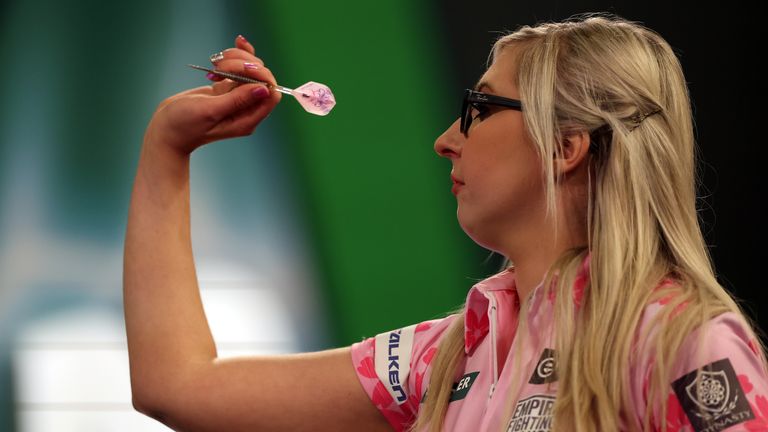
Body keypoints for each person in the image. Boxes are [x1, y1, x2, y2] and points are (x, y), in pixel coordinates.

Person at [123, 13, 768, 432]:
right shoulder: (452, 354)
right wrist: (166, 152)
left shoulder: (680, 341)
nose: (444, 140)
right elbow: (179, 386)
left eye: (478, 108)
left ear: (565, 146)